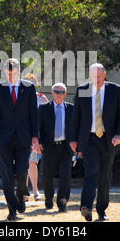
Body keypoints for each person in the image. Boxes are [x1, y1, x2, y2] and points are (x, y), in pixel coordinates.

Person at [69, 63, 120, 222]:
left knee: (105, 176)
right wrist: (73, 139)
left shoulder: (115, 90)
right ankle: (86, 208)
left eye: (100, 77)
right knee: (91, 173)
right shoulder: (83, 90)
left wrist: (118, 134)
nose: (98, 80)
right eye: (94, 77)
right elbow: (76, 117)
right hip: (89, 139)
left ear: (105, 74)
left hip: (109, 140)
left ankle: (101, 210)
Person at [0, 59, 39, 221]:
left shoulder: (28, 88)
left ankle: (22, 194)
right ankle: (12, 209)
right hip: (4, 138)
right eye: (8, 74)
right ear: (4, 72)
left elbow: (34, 114)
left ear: (19, 72)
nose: (11, 77)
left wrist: (35, 136)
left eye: (14, 74)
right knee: (7, 174)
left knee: (23, 170)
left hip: (24, 137)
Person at [39, 83, 74, 212]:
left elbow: (76, 127)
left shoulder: (71, 108)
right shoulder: (43, 109)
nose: (59, 94)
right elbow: (38, 127)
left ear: (65, 94)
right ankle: (48, 199)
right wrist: (38, 142)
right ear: (52, 93)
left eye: (62, 92)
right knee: (47, 175)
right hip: (49, 146)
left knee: (65, 176)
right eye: (56, 91)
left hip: (65, 147)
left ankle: (62, 202)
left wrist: (76, 143)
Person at [23, 72, 49, 202]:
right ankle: (24, 190)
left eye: (32, 84)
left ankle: (35, 190)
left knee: (32, 162)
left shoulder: (42, 98)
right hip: (22, 135)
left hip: (36, 137)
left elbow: (48, 119)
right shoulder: (19, 98)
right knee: (24, 163)